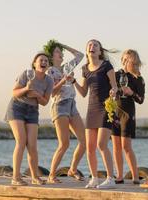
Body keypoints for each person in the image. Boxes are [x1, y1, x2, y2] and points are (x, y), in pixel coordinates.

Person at [4, 51, 54, 186]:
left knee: (32, 146)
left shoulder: (49, 80)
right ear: (34, 64)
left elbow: (44, 102)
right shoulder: (26, 74)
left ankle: (35, 177)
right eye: (41, 60)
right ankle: (16, 177)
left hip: (33, 111)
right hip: (17, 107)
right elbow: (14, 92)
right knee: (21, 141)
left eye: (46, 61)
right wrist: (26, 88)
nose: (43, 62)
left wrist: (36, 94)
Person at [74, 39, 118, 189]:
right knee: (90, 146)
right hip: (91, 109)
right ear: (87, 50)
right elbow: (83, 93)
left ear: (100, 51)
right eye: (90, 45)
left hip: (106, 108)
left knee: (101, 144)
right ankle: (94, 178)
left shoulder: (106, 65)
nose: (92, 47)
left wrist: (113, 92)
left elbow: (115, 87)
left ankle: (110, 178)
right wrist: (73, 81)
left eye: (95, 45)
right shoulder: (85, 69)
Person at [43, 40, 86, 183]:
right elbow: (52, 93)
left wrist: (63, 45)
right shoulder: (49, 71)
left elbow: (80, 55)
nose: (60, 53)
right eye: (56, 51)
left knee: (84, 141)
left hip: (72, 104)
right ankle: (51, 175)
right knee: (64, 143)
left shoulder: (67, 66)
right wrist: (64, 80)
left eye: (60, 51)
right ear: (51, 56)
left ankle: (72, 169)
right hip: (59, 106)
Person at [111, 49, 145, 185]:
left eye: (129, 59)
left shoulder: (138, 78)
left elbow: (141, 99)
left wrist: (131, 92)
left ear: (134, 61)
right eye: (124, 59)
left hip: (128, 113)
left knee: (126, 146)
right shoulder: (114, 75)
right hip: (114, 111)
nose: (126, 62)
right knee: (115, 146)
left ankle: (135, 176)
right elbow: (109, 92)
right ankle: (119, 176)